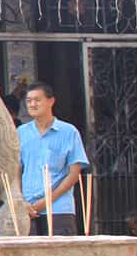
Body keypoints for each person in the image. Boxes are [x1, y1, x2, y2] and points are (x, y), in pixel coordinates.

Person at [19, 83, 89, 237]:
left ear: (51, 101)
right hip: (27, 209)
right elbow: (15, 170)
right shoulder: (21, 133)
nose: (32, 104)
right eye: (29, 100)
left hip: (59, 209)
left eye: (37, 100)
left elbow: (73, 174)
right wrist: (21, 201)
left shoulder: (69, 132)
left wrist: (45, 202)